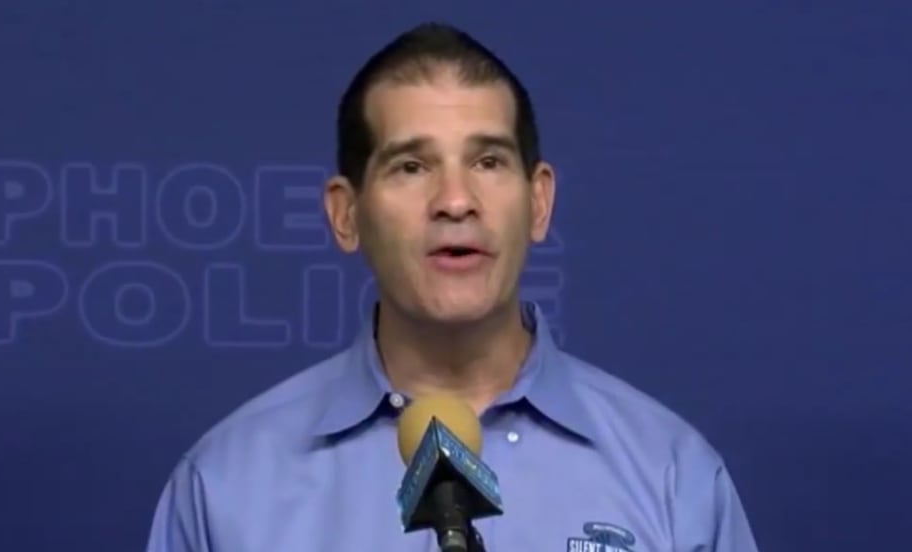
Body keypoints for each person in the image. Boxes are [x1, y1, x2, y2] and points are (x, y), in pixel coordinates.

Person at [145, 22, 760, 552]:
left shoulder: (671, 474)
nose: (456, 201)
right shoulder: (225, 488)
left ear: (539, 202)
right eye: (411, 166)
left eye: (488, 162)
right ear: (346, 214)